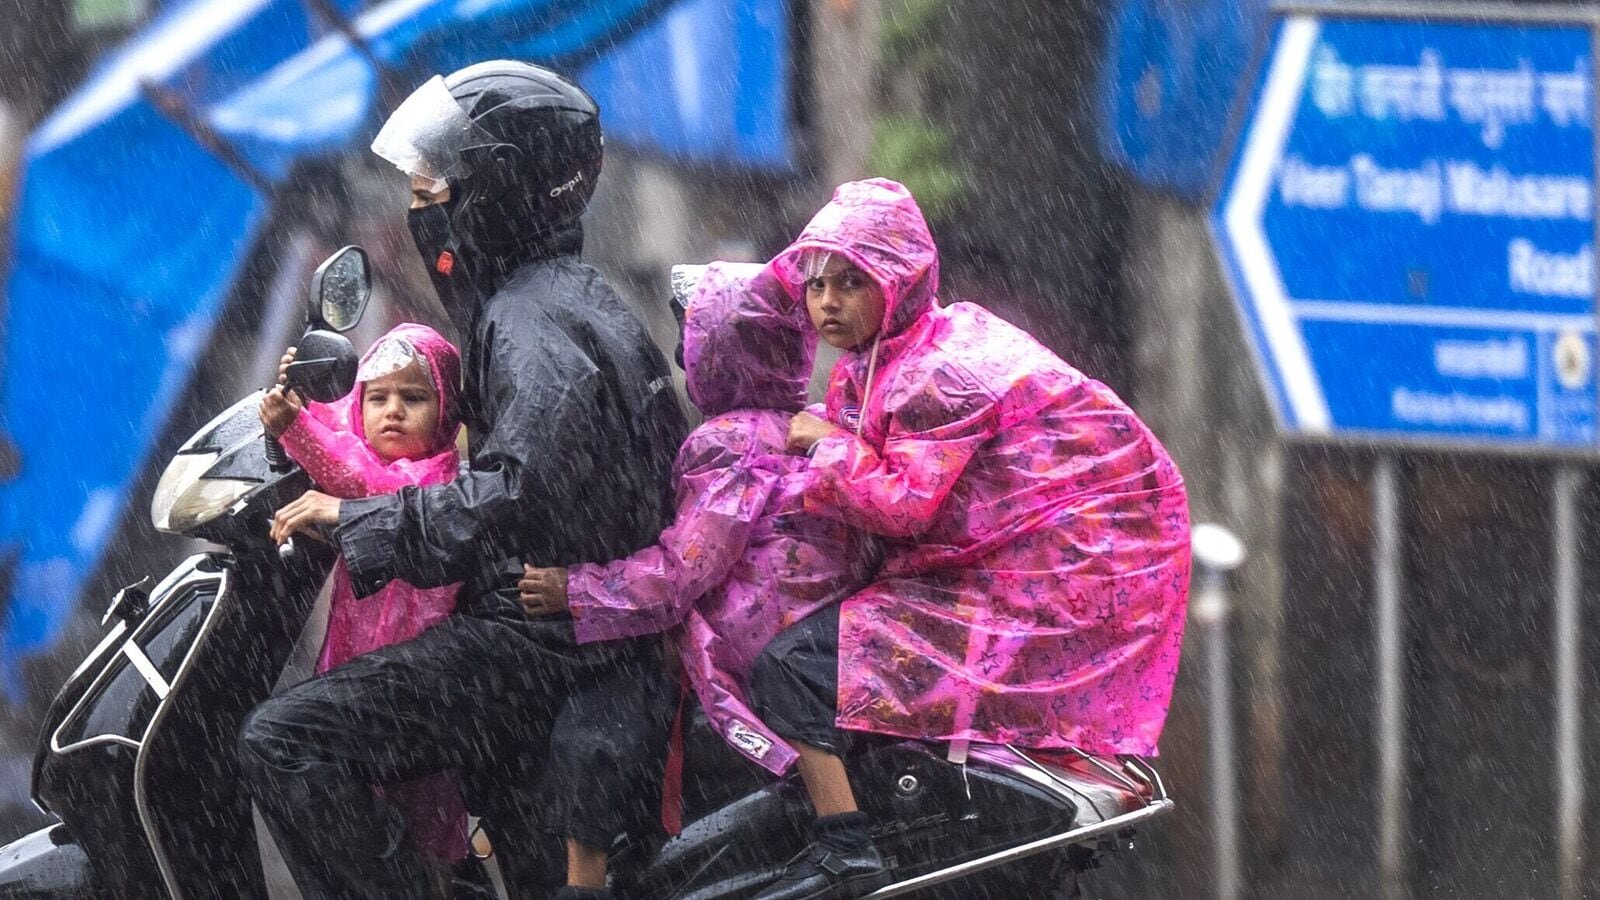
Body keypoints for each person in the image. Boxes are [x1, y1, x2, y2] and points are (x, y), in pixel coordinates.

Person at [238, 61, 689, 900]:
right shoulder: (549, 299)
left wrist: (359, 519)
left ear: (499, 189)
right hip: (571, 625)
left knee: (284, 739)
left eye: (434, 184)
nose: (419, 206)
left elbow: (520, 488)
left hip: (541, 637)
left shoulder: (531, 320)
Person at [746, 178, 1192, 900]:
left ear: (900, 282)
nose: (826, 302)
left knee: (790, 670)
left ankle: (845, 848)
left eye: (851, 282)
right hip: (983, 569)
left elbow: (904, 504)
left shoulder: (938, 372)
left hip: (1033, 584)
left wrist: (824, 447)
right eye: (815, 283)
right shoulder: (876, 365)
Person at [517, 262, 876, 792]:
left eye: (693, 339)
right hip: (822, 640)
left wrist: (576, 590)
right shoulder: (809, 425)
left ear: (713, 353)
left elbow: (684, 569)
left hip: (752, 654)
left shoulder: (729, 443)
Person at [258, 323, 471, 880]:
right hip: (360, 664)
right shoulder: (374, 448)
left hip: (407, 679)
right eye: (378, 398)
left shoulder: (436, 476)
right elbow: (344, 428)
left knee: (424, 824)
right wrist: (302, 395)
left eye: (414, 398)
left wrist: (297, 432)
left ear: (446, 411)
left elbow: (365, 479)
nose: (392, 411)